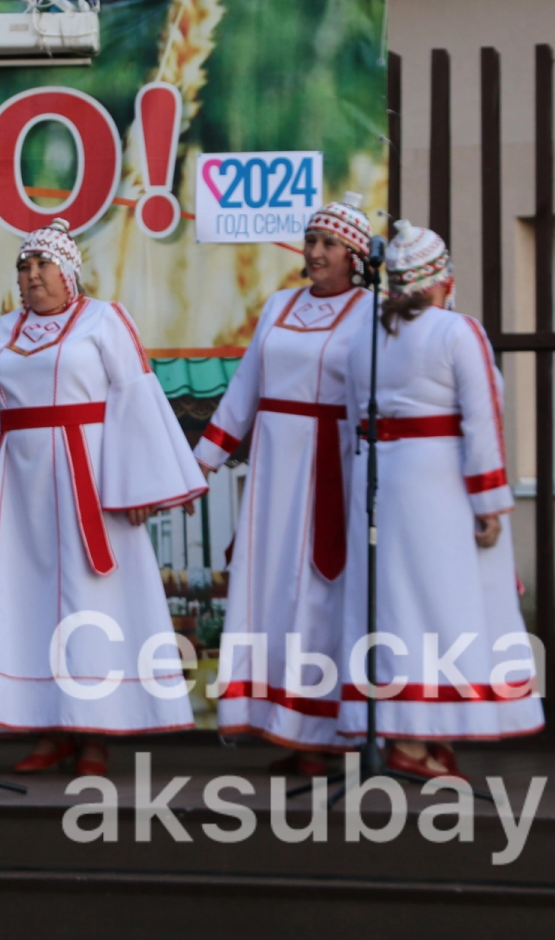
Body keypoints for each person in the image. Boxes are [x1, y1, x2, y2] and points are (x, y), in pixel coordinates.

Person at [0, 218, 206, 777]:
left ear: (68, 271)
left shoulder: (103, 319)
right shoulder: (3, 329)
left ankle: (95, 734)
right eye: (23, 267)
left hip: (90, 481)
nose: (31, 277)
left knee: (94, 603)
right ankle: (49, 727)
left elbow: (135, 400)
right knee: (29, 604)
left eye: (41, 265)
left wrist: (139, 485)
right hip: (19, 487)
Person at [337, 221, 544, 776]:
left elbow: (351, 422)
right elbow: (482, 420)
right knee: (446, 610)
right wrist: (490, 501)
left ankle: (408, 731)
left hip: (380, 480)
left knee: (395, 606)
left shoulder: (363, 338)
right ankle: (417, 742)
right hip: (442, 485)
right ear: (443, 282)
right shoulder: (458, 332)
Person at [195, 194, 374, 776]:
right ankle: (290, 730)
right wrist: (203, 461)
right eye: (312, 241)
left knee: (323, 598)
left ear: (355, 256)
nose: (317, 252)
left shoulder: (371, 312)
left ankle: (331, 736)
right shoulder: (278, 305)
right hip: (275, 474)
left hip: (333, 471)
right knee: (272, 592)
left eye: (330, 244)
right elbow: (246, 386)